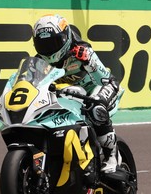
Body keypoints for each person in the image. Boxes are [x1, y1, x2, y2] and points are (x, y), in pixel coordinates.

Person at [32, 14, 122, 172]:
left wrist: (89, 65)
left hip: (101, 87)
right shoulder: (40, 61)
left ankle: (112, 155)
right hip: (71, 94)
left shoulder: (82, 52)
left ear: (65, 38)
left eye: (53, 43)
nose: (48, 49)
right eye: (43, 44)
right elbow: (34, 88)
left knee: (96, 106)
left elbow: (104, 80)